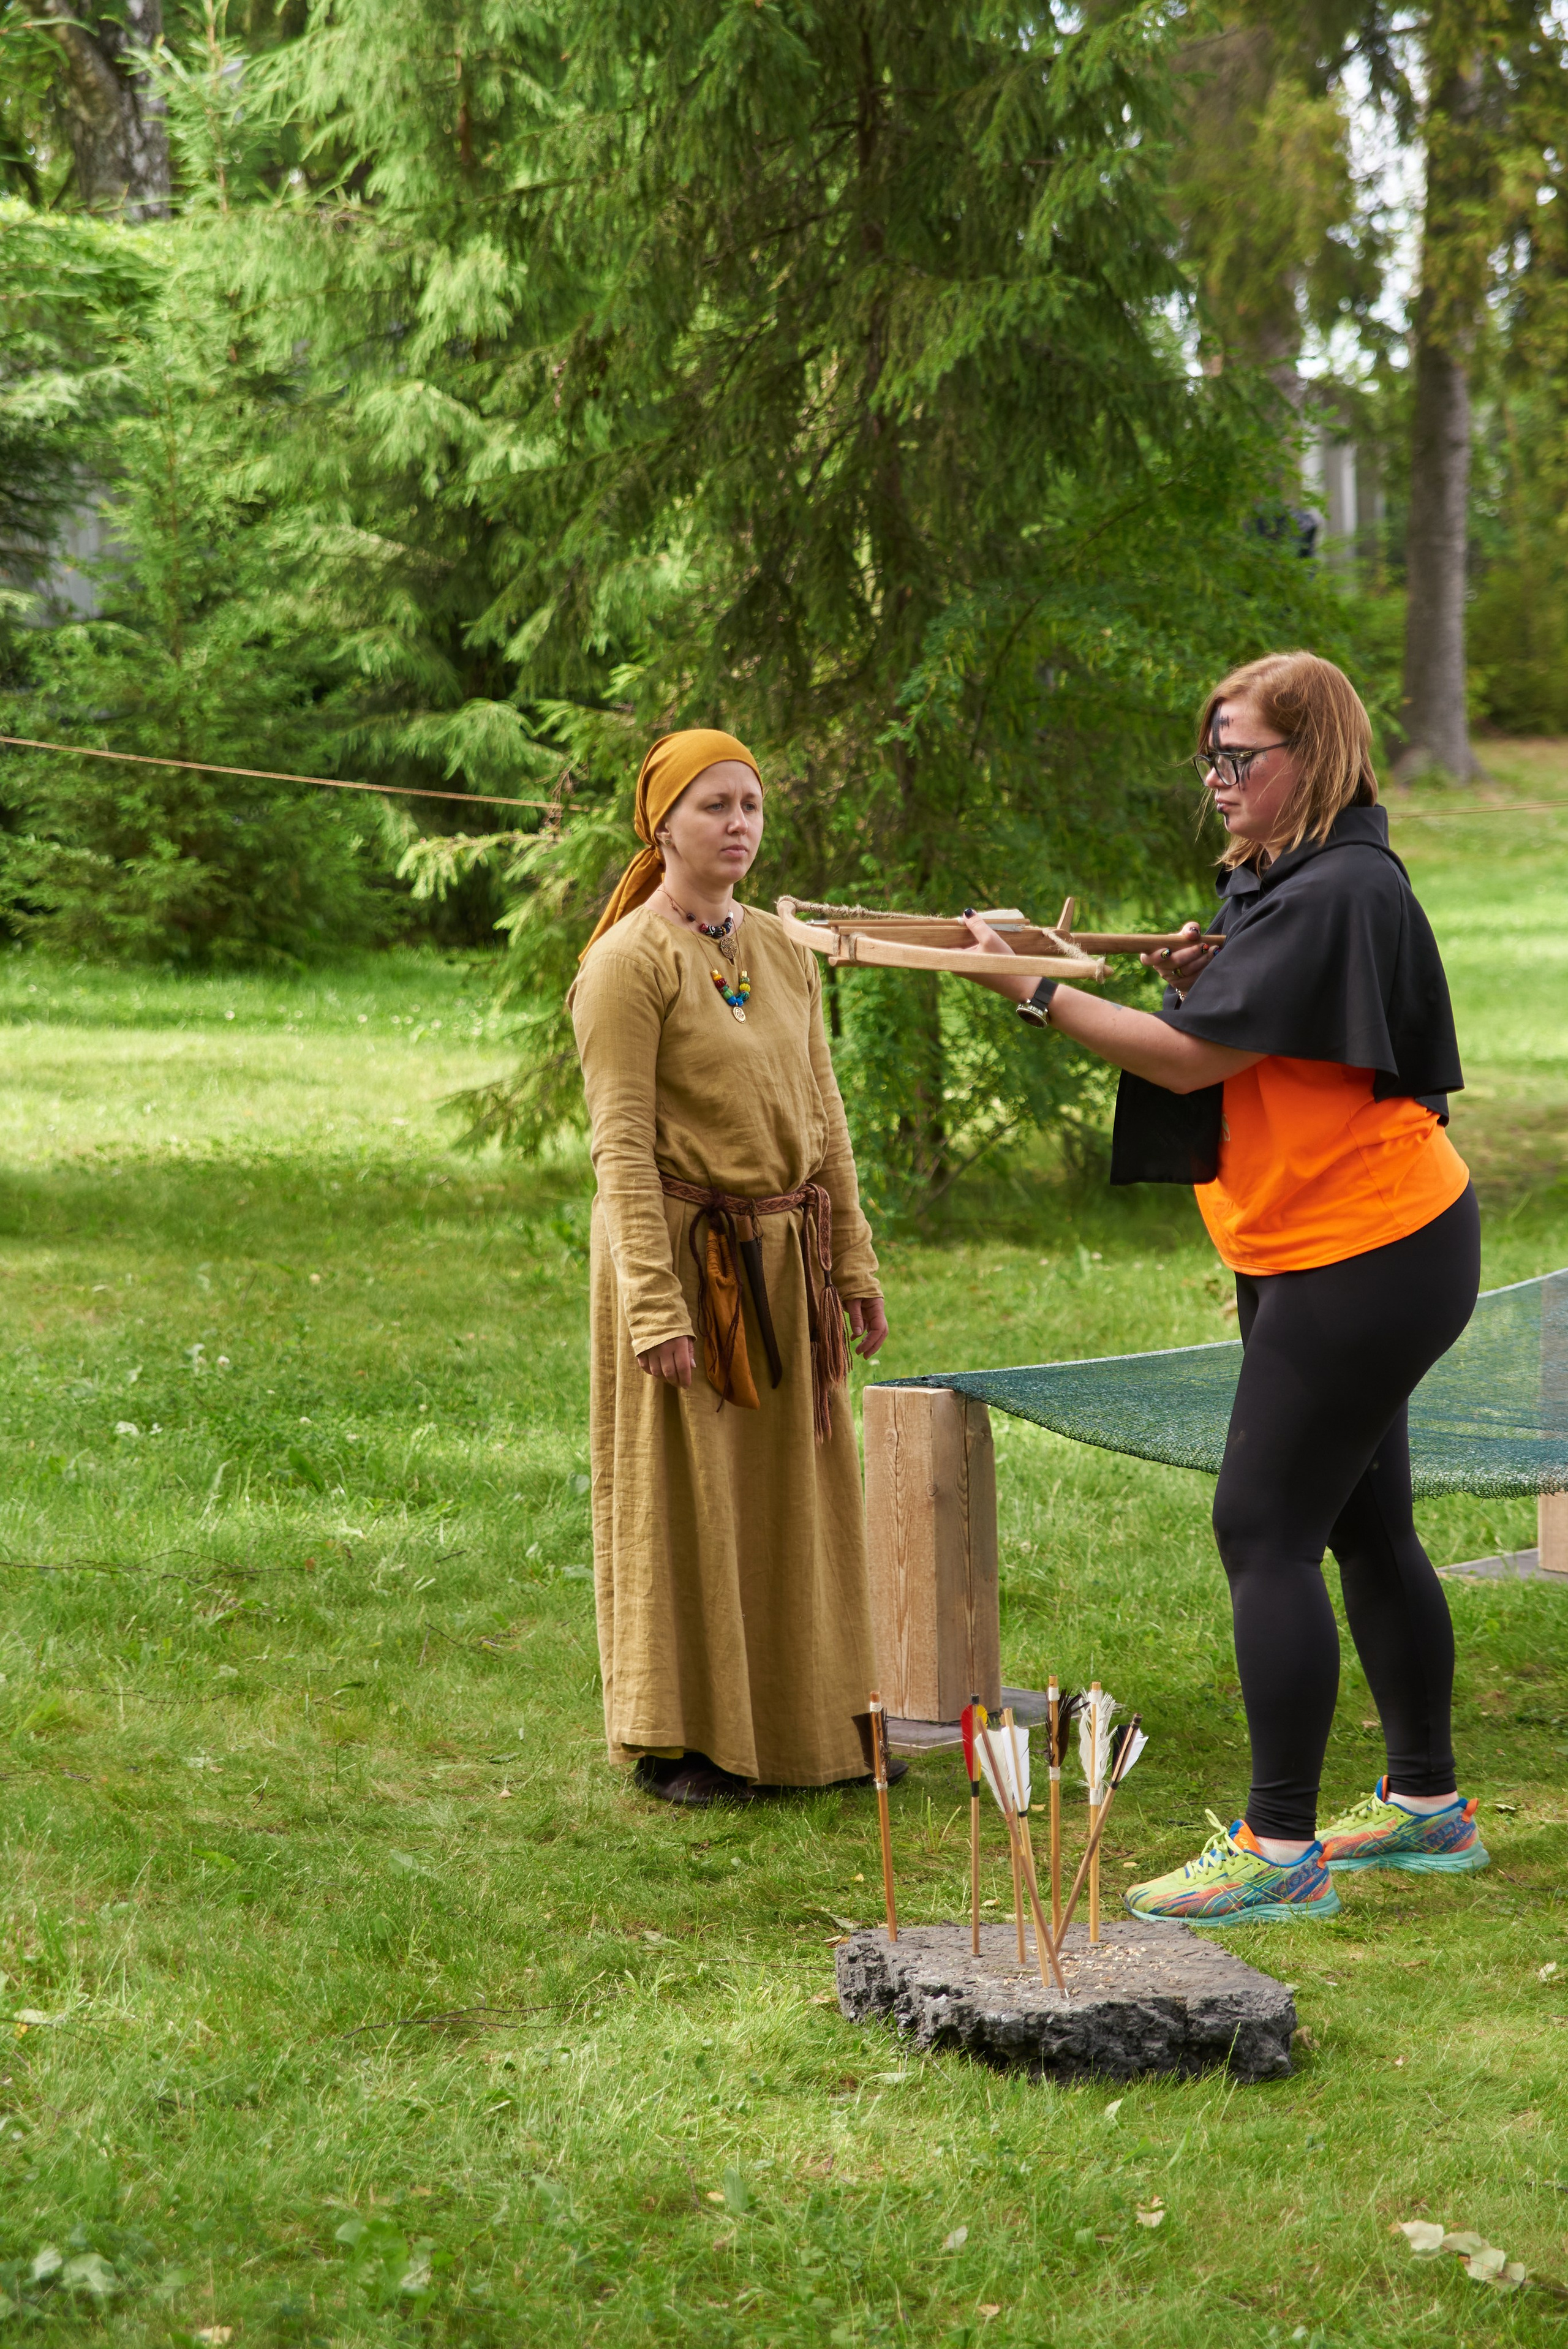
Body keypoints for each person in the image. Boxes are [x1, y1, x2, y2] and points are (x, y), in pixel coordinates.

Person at [953, 651, 1488, 1923]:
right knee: (1359, 1523)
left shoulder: (1337, 888)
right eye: (1209, 756)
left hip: (1364, 1252)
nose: (1215, 780)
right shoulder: (1297, 879)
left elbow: (1190, 1067)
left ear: (1313, 754)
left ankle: (1276, 1847)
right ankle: (1426, 1810)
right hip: (1335, 1240)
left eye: (1237, 756)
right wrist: (1202, 977)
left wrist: (1029, 986)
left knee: (1260, 1527)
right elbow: (1275, 1034)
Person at [568, 728, 891, 1807]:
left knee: (796, 1496)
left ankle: (809, 1726)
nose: (739, 826)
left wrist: (853, 1264)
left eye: (751, 806)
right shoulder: (627, 965)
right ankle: (689, 1740)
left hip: (786, 1256)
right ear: (662, 824)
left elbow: (824, 1118)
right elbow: (617, 1143)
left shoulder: (786, 950)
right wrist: (656, 1306)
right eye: (715, 807)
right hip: (686, 1259)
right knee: (692, 1495)